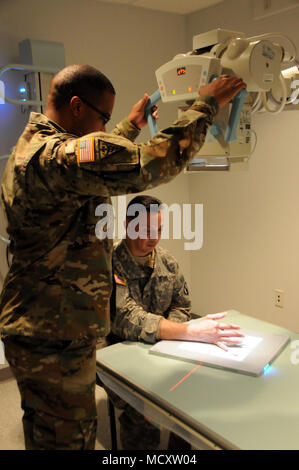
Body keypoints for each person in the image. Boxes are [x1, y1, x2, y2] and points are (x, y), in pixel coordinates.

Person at [0, 63, 246, 450]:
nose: (104, 126)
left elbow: (88, 159)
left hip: (40, 327)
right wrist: (206, 104)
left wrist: (127, 127)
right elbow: (151, 162)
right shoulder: (55, 158)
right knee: (67, 440)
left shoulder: (33, 147)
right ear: (77, 107)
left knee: (45, 431)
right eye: (103, 117)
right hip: (54, 336)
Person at [108, 195, 244, 450]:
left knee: (193, 398)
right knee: (143, 411)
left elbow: (181, 304)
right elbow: (126, 317)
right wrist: (186, 331)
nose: (154, 238)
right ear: (128, 225)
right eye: (146, 230)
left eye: (159, 230)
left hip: (165, 348)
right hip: (118, 352)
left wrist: (174, 334)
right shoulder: (109, 263)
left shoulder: (167, 261)